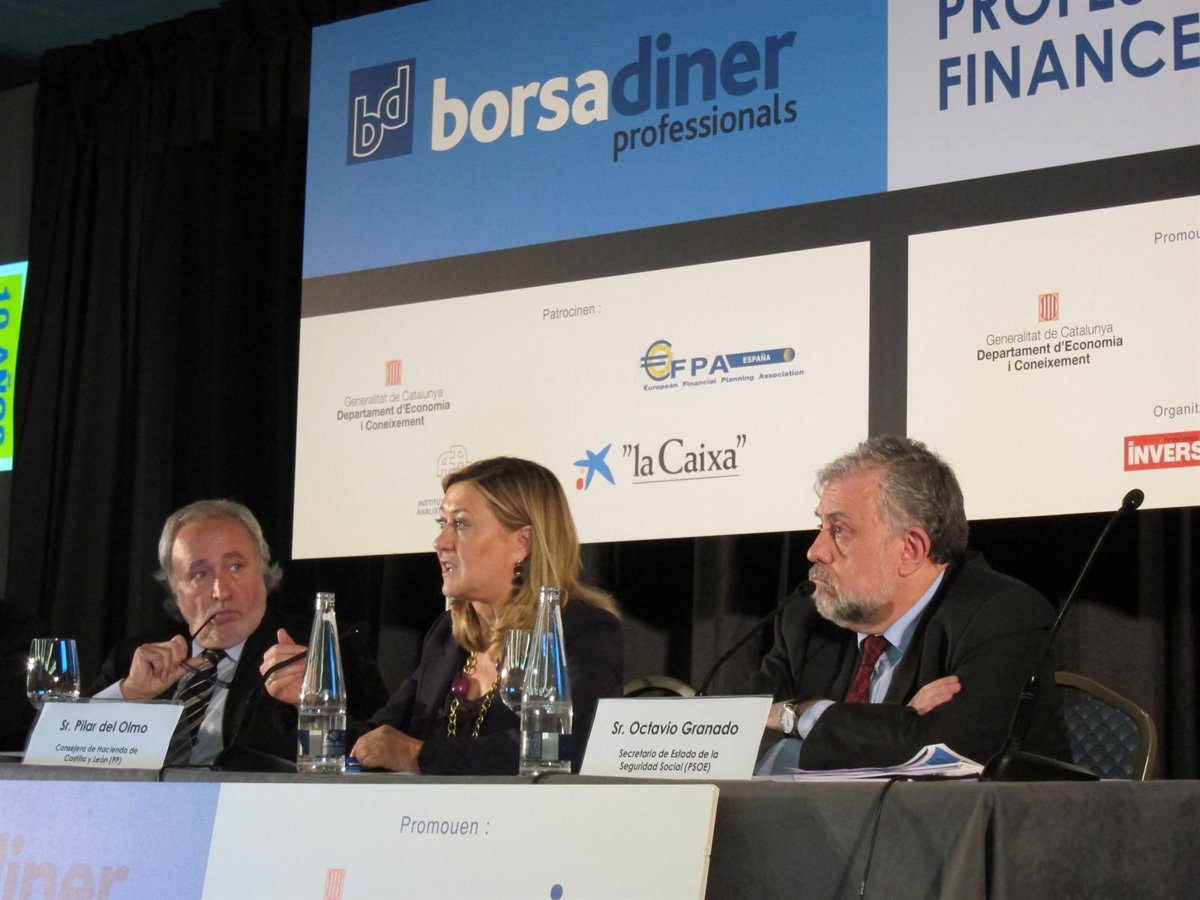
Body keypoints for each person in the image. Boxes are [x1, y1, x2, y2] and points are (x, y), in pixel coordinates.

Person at [263, 456, 624, 775]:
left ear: (522, 542)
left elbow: (556, 751)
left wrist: (418, 755)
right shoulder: (449, 636)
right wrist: (311, 701)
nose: (440, 542)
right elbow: (376, 746)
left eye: (461, 524)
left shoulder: (584, 632)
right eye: (443, 523)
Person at [746, 435, 1068, 770]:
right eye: (821, 526)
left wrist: (799, 713)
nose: (815, 551)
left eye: (839, 530)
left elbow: (952, 752)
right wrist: (899, 722)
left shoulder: (1003, 615)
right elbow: (727, 730)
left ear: (910, 549)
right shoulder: (807, 621)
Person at [93, 499, 384, 768]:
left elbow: (378, 757)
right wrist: (130, 694)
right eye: (200, 574)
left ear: (263, 572)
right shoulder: (133, 661)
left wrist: (312, 704)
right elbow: (69, 757)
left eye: (235, 567)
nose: (221, 591)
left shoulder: (324, 650)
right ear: (174, 590)